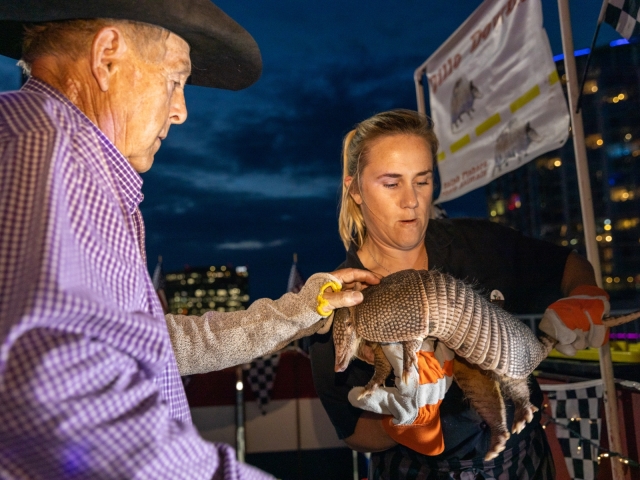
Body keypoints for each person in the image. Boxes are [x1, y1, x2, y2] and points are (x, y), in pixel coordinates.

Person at [0, 2, 378, 478]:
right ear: (107, 57)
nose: (181, 111)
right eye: (175, 80)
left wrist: (305, 309)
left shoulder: (60, 157)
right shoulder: (49, 152)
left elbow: (156, 344)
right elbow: (68, 409)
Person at [309, 109, 610, 479]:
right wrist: (403, 425)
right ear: (354, 188)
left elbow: (568, 264)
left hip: (524, 459)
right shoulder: (337, 302)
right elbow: (352, 429)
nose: (411, 201)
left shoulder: (478, 243)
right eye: (391, 183)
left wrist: (585, 294)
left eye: (422, 181)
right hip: (421, 471)